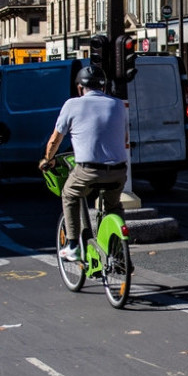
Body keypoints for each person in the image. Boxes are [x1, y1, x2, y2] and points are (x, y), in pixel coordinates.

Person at [38, 65, 129, 262]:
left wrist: (47, 159)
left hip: (89, 171)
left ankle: (72, 246)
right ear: (103, 87)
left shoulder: (72, 105)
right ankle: (119, 253)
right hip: (119, 170)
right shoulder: (118, 104)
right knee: (113, 205)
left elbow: (55, 140)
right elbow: (124, 138)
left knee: (69, 194)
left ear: (80, 88)